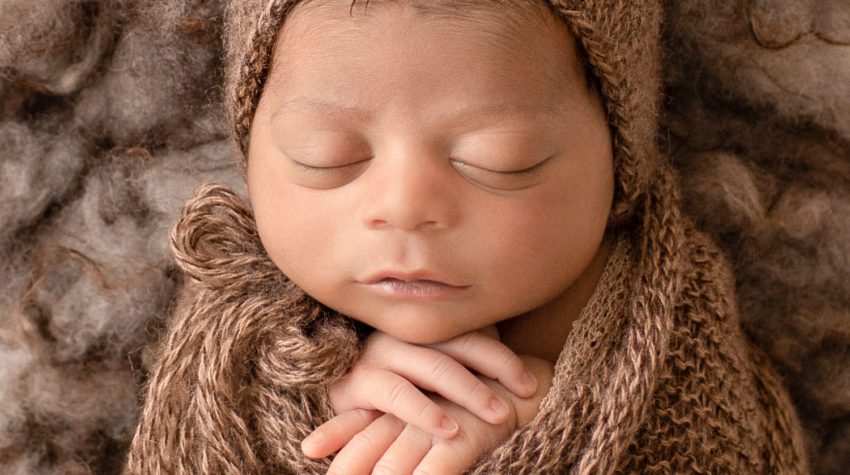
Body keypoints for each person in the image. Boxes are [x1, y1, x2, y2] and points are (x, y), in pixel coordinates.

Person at [127, 0, 809, 473]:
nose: (403, 208)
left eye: (500, 160)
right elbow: (179, 441)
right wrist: (301, 390)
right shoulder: (242, 321)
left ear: (619, 152)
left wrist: (554, 419)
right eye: (324, 154)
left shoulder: (665, 323)